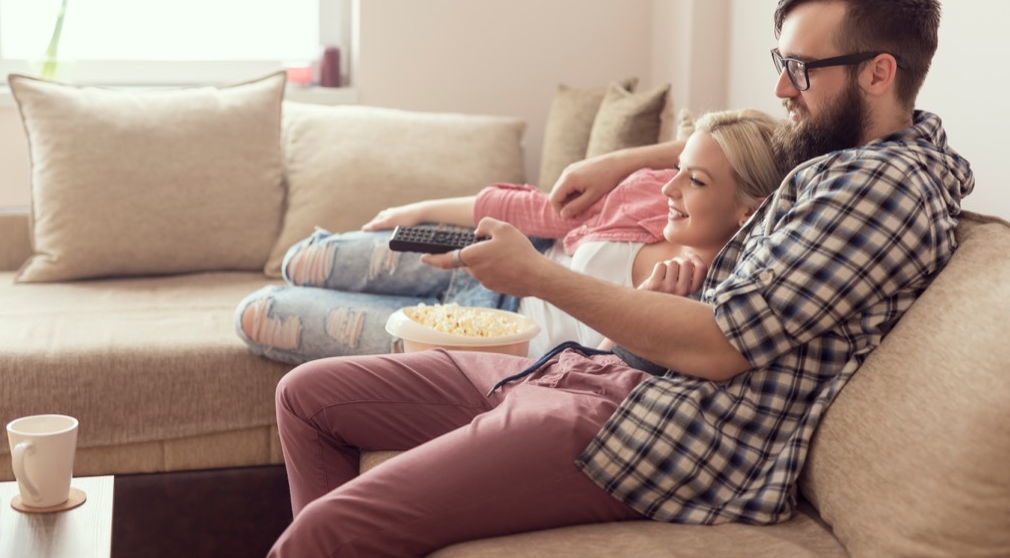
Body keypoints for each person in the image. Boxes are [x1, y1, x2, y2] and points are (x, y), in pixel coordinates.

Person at [263, 0, 974, 558]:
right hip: (609, 376)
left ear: (879, 73)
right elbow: (737, 137)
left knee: (324, 534)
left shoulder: (880, 188)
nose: (784, 88)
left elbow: (723, 347)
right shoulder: (842, 152)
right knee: (310, 398)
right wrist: (620, 161)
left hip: (664, 434)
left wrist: (538, 276)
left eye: (800, 69)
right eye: (779, 64)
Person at [236, 109, 783, 362]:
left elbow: (590, 385)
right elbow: (541, 212)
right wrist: (420, 209)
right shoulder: (649, 193)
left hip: (490, 341)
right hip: (488, 261)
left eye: (696, 180)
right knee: (307, 257)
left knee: (260, 312)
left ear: (748, 211)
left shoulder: (707, 297)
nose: (671, 189)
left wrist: (642, 312)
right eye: (678, 169)